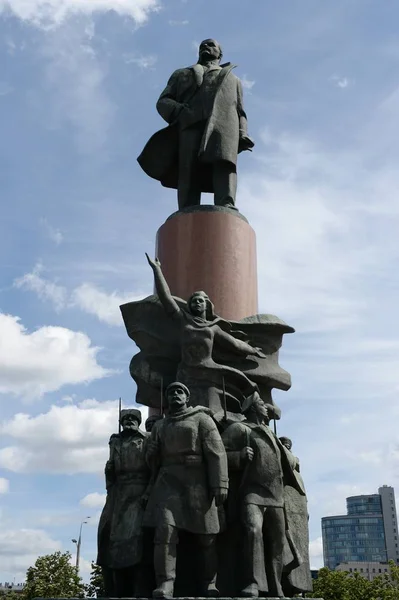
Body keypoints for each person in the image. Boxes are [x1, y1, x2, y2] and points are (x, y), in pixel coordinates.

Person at [138, 39, 254, 210]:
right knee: (188, 168)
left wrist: (242, 133)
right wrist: (181, 112)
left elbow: (240, 111)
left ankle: (227, 205)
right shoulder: (182, 73)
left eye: (210, 45)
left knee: (224, 165)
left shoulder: (233, 79)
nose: (205, 47)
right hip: (190, 125)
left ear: (220, 54)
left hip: (224, 127)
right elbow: (163, 101)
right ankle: (187, 209)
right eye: (202, 46)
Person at [146, 253, 265, 413]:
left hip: (208, 371)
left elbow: (235, 344)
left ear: (207, 305)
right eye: (193, 300)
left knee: (211, 411)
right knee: (184, 411)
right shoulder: (183, 320)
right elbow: (166, 297)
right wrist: (157, 270)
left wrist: (254, 350)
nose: (196, 303)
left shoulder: (213, 327)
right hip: (186, 372)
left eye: (200, 300)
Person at [144, 382, 229, 598]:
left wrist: (220, 483)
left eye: (179, 391)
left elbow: (216, 452)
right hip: (168, 481)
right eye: (170, 392)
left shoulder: (201, 418)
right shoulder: (160, 426)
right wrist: (151, 454)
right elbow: (150, 463)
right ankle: (166, 583)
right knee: (164, 532)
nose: (175, 395)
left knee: (207, 536)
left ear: (187, 397)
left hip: (196, 480)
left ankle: (209, 582)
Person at [222, 393, 287, 598]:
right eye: (261, 404)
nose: (266, 407)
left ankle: (277, 585)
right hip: (252, 492)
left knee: (278, 541)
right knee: (252, 531)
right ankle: (252, 583)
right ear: (251, 408)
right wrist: (238, 456)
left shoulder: (270, 432)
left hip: (276, 496)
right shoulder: (240, 429)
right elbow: (218, 452)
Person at [96, 409, 152, 597]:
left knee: (135, 538)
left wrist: (148, 493)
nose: (129, 421)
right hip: (117, 495)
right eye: (125, 419)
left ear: (139, 421)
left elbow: (155, 467)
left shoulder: (147, 439)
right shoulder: (115, 441)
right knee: (106, 534)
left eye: (132, 418)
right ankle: (116, 588)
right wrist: (109, 472)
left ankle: (139, 588)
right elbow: (110, 479)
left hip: (139, 491)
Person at [279, 437, 312, 596]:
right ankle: (286, 583)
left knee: (300, 551)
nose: (287, 448)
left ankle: (297, 587)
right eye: (284, 446)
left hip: (299, 517)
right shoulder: (282, 472)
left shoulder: (298, 476)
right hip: (286, 514)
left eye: (288, 446)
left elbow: (303, 497)